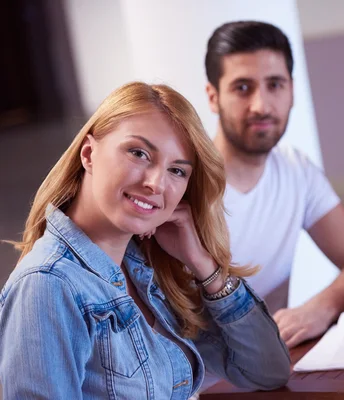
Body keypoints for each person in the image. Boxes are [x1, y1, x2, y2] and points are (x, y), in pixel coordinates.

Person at [0, 82, 291, 399]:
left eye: (177, 171)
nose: (155, 184)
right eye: (138, 153)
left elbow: (268, 370)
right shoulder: (48, 285)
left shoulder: (149, 273)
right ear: (88, 154)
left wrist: (205, 266)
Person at [204, 21, 344, 349]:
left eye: (274, 84)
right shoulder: (178, 182)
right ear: (213, 97)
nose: (261, 105)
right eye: (242, 88)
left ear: (292, 90)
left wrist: (319, 309)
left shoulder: (295, 170)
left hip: (271, 373)